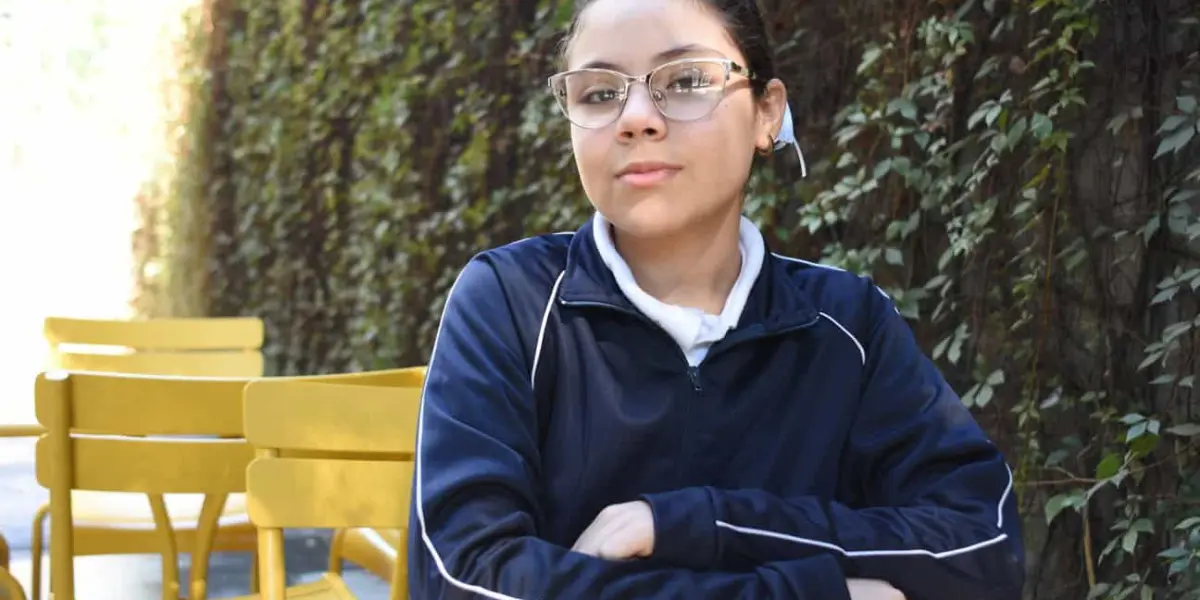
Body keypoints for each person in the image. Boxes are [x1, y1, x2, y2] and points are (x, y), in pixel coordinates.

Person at [406, 0, 1025, 598]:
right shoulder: (511, 303)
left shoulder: (847, 324)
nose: (636, 117)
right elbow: (464, 577)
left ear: (765, 112)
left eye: (687, 81)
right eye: (599, 93)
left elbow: (984, 545)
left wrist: (701, 523)